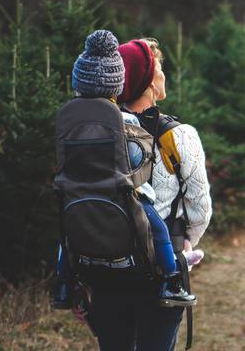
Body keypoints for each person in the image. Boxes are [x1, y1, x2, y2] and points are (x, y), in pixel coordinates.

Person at [50, 31, 198, 310]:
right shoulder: (123, 119)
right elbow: (135, 157)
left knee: (66, 234)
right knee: (156, 226)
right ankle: (171, 280)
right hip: (119, 189)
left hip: (75, 189)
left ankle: (63, 283)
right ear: (116, 85)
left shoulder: (69, 117)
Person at [90, 37, 212, 350]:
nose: (163, 75)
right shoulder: (179, 135)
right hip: (160, 270)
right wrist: (183, 247)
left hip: (107, 268)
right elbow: (200, 207)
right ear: (147, 81)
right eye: (158, 68)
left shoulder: (99, 132)